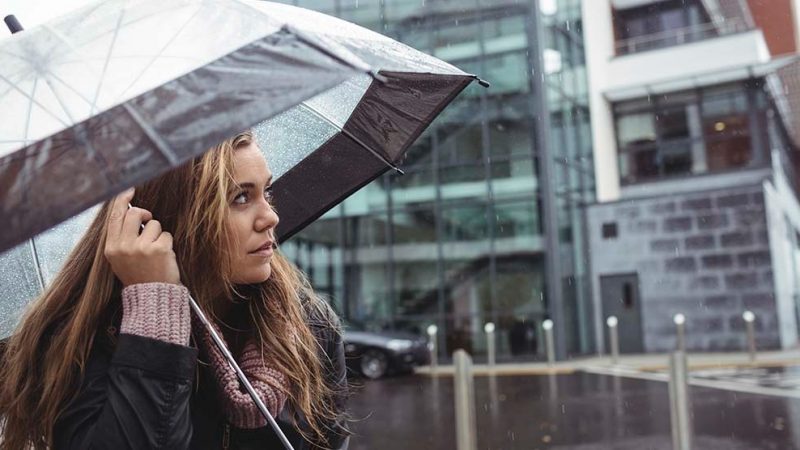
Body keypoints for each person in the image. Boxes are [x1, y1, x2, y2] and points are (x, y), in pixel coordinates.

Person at [0, 131, 350, 450]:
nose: (270, 217)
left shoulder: (309, 326)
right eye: (240, 197)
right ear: (168, 221)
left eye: (266, 192)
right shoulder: (86, 341)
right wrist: (154, 311)